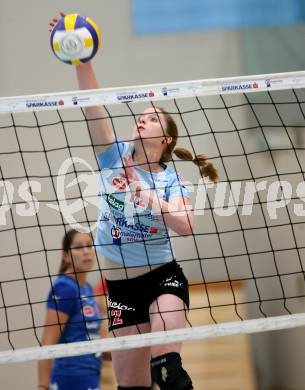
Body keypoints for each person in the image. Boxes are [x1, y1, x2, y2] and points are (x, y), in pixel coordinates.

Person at [50, 13, 218, 390]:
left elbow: (187, 225)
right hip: (120, 289)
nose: (142, 120)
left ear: (167, 140)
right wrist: (82, 58)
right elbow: (93, 105)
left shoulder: (171, 179)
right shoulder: (113, 157)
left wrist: (146, 196)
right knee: (130, 384)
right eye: (141, 116)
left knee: (167, 370)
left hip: (163, 279)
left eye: (153, 118)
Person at [38, 230, 103, 390]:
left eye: (89, 246)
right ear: (66, 256)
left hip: (91, 377)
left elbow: (91, 339)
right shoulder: (65, 288)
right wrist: (42, 386)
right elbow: (47, 343)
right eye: (79, 247)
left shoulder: (87, 288)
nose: (86, 251)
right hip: (70, 378)